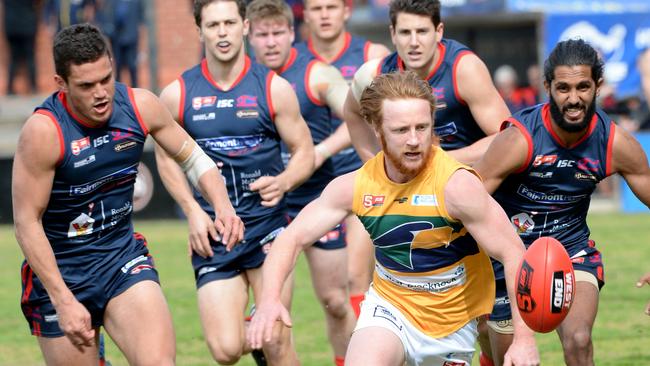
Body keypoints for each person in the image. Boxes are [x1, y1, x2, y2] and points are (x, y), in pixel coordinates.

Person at [247, 71, 539, 366]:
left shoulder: (457, 186)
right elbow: (292, 238)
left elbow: (514, 253)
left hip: (450, 324)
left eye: (422, 128)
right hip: (389, 308)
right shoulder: (357, 185)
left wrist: (524, 340)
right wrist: (270, 298)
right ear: (377, 128)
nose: (414, 141)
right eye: (401, 130)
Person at [13, 23, 243, 366]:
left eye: (106, 78)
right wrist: (63, 300)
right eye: (86, 86)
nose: (101, 93)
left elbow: (195, 159)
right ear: (61, 84)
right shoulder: (44, 132)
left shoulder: (139, 105)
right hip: (62, 274)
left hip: (121, 259)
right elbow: (26, 222)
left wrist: (222, 206)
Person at [153, 0, 313, 364]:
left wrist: (285, 180)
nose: (222, 32)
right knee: (225, 350)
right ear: (200, 31)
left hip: (268, 230)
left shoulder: (273, 88)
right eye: (213, 25)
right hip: (214, 235)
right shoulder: (178, 94)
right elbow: (165, 157)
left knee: (274, 338)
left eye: (228, 23)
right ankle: (253, 334)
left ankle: (265, 334)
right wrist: (193, 211)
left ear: (244, 26)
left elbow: (305, 150)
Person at [473, 39, 650, 366]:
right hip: (507, 258)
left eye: (583, 87)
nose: (573, 99)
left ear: (597, 86)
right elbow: (469, 199)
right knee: (508, 357)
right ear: (547, 87)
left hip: (570, 250)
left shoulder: (614, 144)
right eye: (563, 88)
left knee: (579, 340)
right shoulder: (519, 140)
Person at [246, 1, 356, 363]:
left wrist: (320, 152)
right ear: (249, 35)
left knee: (337, 301)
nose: (271, 42)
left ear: (292, 34)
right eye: (263, 34)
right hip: (267, 211)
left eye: (278, 33)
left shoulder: (317, 74)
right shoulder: (243, 81)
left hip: (316, 201)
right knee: (273, 316)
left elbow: (354, 115)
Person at [296, 0, 391, 318]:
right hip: (312, 185)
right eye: (317, 8)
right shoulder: (292, 59)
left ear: (347, 11)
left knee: (356, 276)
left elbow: (379, 118)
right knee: (332, 299)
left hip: (362, 174)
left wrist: (321, 151)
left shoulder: (372, 57)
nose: (324, 15)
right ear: (305, 14)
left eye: (331, 7)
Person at [343, 0, 510, 166]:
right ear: (393, 34)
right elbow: (351, 112)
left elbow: (506, 136)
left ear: (438, 31)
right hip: (411, 178)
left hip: (466, 172)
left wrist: (434, 162)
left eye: (422, 31)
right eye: (405, 32)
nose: (414, 42)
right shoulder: (375, 74)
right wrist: (376, 165)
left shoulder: (463, 69)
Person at [3, 0, 39, 94]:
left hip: (11, 27)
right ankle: (33, 87)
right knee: (30, 57)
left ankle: (10, 89)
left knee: (14, 59)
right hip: (28, 26)